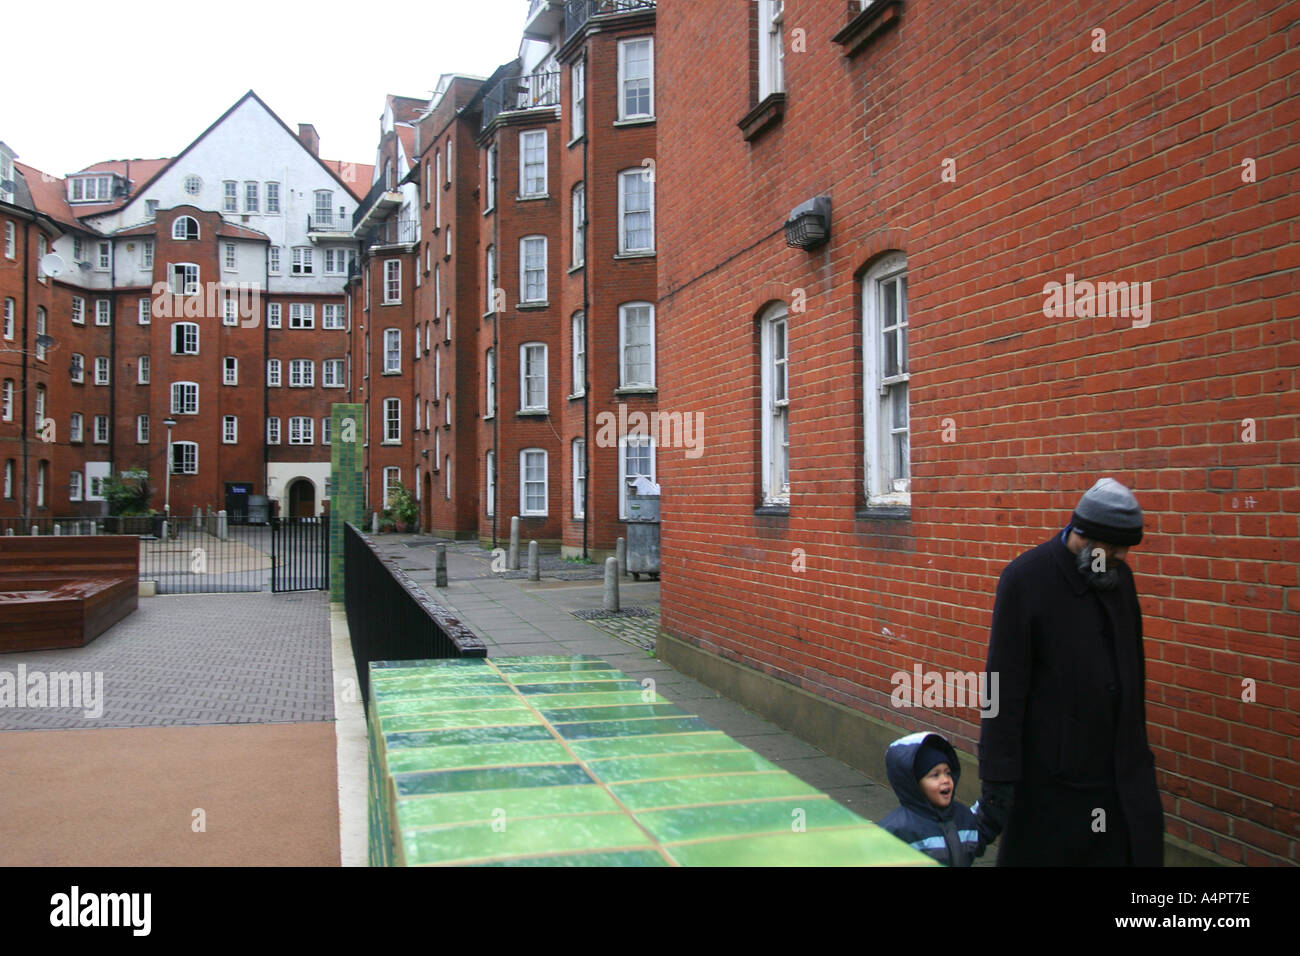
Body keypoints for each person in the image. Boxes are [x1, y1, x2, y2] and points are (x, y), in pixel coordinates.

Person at [975, 477, 1165, 865]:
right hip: (1054, 786)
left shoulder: (1118, 580)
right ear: (1085, 533)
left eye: (1125, 549)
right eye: (1112, 548)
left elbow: (1132, 669)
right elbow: (1001, 688)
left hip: (1121, 778)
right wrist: (998, 778)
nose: (1119, 557)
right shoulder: (1026, 580)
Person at [879, 731, 983, 866]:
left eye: (948, 773)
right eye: (935, 775)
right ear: (915, 784)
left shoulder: (964, 817)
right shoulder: (896, 829)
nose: (945, 780)